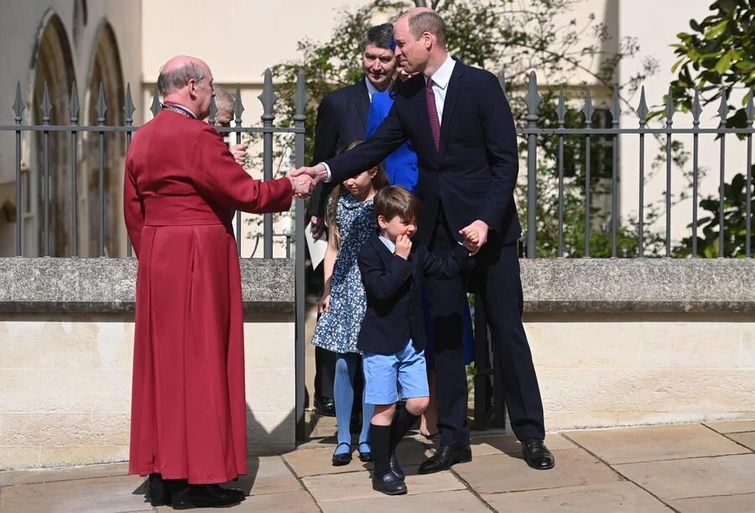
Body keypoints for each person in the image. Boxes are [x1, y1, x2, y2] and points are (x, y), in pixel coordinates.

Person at [293, 7, 555, 473]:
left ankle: (531, 436)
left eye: (400, 44)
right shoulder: (408, 94)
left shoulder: (481, 85)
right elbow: (377, 146)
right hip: (434, 236)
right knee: (446, 338)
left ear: (428, 40)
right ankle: (453, 440)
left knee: (507, 332)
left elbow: (505, 163)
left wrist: (486, 222)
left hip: (488, 235)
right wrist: (326, 171)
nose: (396, 54)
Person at [124, 55, 312, 510]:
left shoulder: (143, 137)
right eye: (209, 85)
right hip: (198, 256)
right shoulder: (197, 135)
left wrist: (152, 254)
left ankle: (163, 474)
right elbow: (245, 194)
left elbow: (134, 209)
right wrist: (289, 185)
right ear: (191, 86)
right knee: (205, 362)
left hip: (158, 255)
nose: (212, 93)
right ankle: (197, 480)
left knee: (164, 368)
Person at [366, 66, 475, 439]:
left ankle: (436, 411)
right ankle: (405, 411)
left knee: (440, 314)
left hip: (436, 209)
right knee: (409, 311)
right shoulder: (384, 102)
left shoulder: (442, 97)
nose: (395, 66)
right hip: (400, 210)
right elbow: (374, 153)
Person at [358, 185, 478, 495]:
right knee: (383, 409)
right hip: (382, 342)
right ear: (383, 221)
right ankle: (381, 471)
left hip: (411, 341)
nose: (411, 228)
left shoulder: (417, 249)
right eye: (405, 222)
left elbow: (444, 269)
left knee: (419, 402)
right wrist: (399, 259)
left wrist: (464, 248)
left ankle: (383, 452)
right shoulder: (370, 252)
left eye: (414, 222)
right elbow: (381, 292)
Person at [309, 23, 398, 420]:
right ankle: (328, 393)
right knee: (333, 300)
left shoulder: (408, 99)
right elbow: (322, 156)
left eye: (384, 58)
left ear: (397, 59)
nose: (376, 66)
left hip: (391, 216)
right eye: (370, 58)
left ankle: (381, 395)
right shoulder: (338, 103)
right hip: (341, 212)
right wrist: (316, 210)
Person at [310, 141, 390, 466]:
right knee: (344, 363)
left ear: (373, 170)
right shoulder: (336, 200)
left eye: (355, 172)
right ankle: (344, 437)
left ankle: (368, 437)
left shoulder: (384, 202)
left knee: (371, 364)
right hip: (343, 287)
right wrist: (327, 290)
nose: (348, 180)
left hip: (372, 288)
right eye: (345, 172)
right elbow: (332, 247)